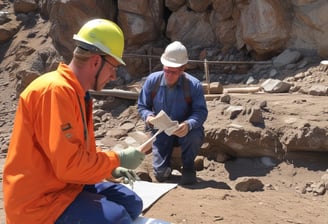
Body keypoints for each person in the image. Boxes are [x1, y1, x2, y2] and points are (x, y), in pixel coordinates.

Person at [3, 18, 147, 224]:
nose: (114, 76)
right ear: (96, 61)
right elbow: (68, 166)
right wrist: (117, 159)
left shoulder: (76, 93)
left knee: (132, 203)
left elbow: (75, 152)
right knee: (118, 218)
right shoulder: (55, 92)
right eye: (113, 68)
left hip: (64, 184)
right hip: (38, 203)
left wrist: (109, 169)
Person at [137, 41, 208, 185]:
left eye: (173, 72)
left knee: (195, 134)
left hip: (184, 131)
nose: (168, 75)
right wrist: (149, 117)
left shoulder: (193, 85)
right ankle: (166, 167)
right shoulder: (153, 81)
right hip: (161, 131)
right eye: (166, 70)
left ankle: (188, 167)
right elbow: (142, 106)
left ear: (182, 69)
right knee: (160, 176)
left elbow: (200, 112)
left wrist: (188, 124)